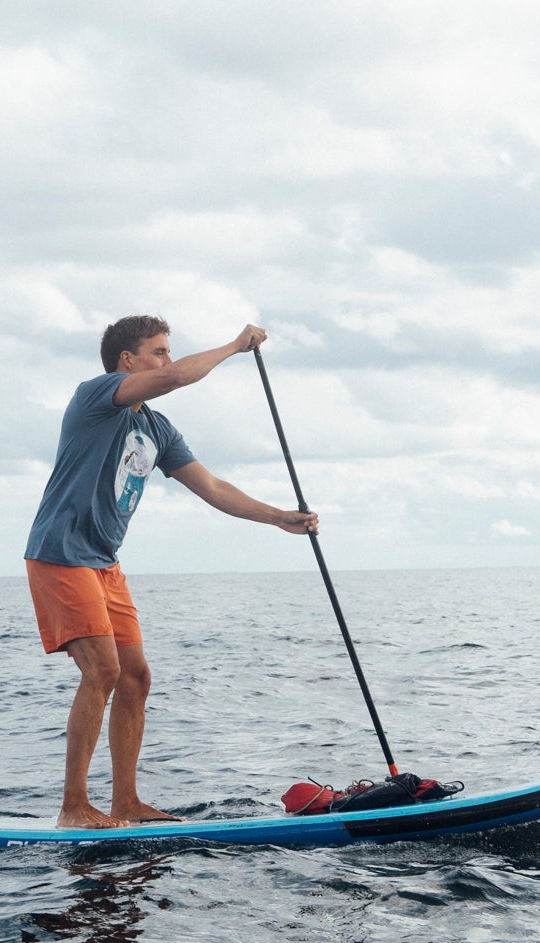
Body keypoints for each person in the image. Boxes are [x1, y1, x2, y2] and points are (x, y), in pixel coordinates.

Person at [24, 316, 319, 827]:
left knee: (135, 676)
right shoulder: (96, 396)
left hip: (104, 563)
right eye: (157, 351)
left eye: (168, 351)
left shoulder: (156, 429)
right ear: (127, 362)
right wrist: (234, 346)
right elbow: (178, 378)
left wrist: (279, 518)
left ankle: (126, 803)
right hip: (61, 553)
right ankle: (73, 806)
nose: (166, 359)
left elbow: (213, 487)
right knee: (104, 670)